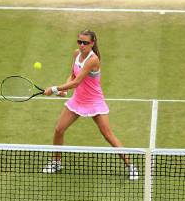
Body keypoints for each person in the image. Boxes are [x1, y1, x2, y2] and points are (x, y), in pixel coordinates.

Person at [42, 29, 138, 180]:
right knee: (59, 129)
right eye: (79, 42)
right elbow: (73, 75)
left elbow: (77, 82)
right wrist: (65, 90)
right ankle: (56, 162)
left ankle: (131, 166)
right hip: (78, 100)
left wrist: (54, 89)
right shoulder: (76, 54)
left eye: (85, 43)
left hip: (94, 102)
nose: (81, 45)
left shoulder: (93, 60)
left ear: (92, 43)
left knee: (108, 135)